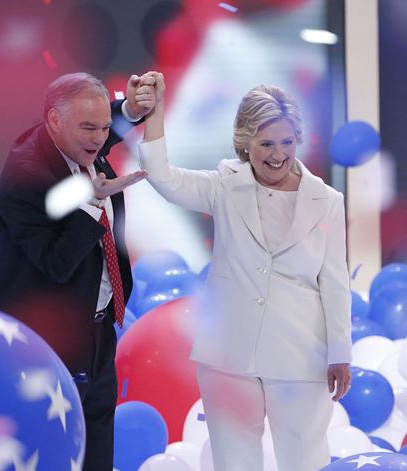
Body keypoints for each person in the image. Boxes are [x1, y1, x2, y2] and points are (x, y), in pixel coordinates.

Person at [138, 76, 352, 471]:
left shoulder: (327, 200)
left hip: (301, 354)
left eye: (287, 142)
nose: (278, 154)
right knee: (234, 463)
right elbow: (162, 177)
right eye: (266, 144)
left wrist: (340, 353)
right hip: (228, 355)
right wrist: (156, 112)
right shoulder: (223, 186)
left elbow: (335, 282)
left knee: (305, 461)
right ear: (245, 143)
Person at [0, 71, 155, 471]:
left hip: (95, 329)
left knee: (98, 444)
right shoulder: (25, 179)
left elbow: (99, 122)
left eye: (103, 127)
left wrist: (129, 110)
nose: (99, 139)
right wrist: (92, 205)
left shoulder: (77, 140)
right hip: (42, 342)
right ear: (54, 122)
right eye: (89, 129)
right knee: (47, 452)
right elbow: (56, 265)